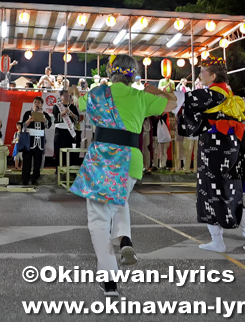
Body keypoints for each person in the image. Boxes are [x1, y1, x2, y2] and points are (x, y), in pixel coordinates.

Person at [70, 54, 176, 297]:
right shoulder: (140, 96)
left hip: (102, 158)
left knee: (98, 220)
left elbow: (77, 104)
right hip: (130, 160)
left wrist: (76, 92)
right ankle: (125, 238)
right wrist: (154, 89)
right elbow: (172, 103)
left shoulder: (97, 94)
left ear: (111, 72)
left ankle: (110, 281)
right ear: (133, 74)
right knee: (119, 199)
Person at [182, 56, 245, 254]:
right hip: (230, 144)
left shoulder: (213, 94)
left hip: (214, 147)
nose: (200, 75)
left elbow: (188, 104)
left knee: (210, 192)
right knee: (230, 190)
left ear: (214, 75)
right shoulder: (227, 92)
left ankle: (220, 240)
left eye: (203, 72)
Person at [20, 97, 52, 185]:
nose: (37, 104)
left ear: (42, 104)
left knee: (38, 161)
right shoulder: (28, 113)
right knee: (27, 160)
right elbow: (22, 126)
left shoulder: (45, 114)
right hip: (29, 140)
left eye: (39, 103)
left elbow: (48, 125)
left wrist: (44, 118)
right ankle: (25, 179)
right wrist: (29, 121)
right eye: (35, 102)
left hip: (39, 141)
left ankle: (35, 179)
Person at [52, 89, 80, 163]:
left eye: (68, 96)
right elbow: (56, 117)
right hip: (59, 131)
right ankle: (58, 169)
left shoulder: (72, 107)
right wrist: (63, 113)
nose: (67, 97)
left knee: (69, 149)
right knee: (58, 149)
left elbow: (77, 119)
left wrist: (73, 115)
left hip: (69, 131)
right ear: (61, 96)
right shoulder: (57, 106)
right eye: (65, 95)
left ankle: (68, 168)